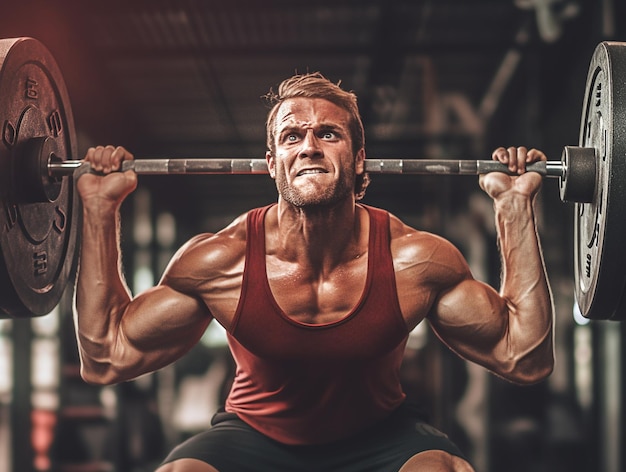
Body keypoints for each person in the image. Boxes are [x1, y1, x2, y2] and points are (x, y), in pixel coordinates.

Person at [74, 72, 554, 472]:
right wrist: (99, 209)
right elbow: (108, 355)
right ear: (272, 164)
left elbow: (522, 355)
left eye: (328, 133)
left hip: (381, 436)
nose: (309, 146)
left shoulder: (416, 260)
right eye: (291, 135)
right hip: (255, 437)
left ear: (359, 158)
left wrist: (514, 209)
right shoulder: (222, 261)